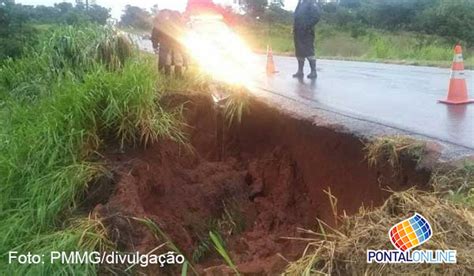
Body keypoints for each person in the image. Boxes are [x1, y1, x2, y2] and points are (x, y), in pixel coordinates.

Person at [151, 10, 186, 76]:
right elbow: (155, 34)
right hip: (167, 45)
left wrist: (155, 45)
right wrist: (155, 45)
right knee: (169, 60)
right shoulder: (164, 23)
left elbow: (185, 35)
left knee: (175, 60)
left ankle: (175, 76)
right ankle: (169, 76)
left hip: (176, 45)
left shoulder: (180, 24)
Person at [293, 0, 321, 79]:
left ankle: (313, 71)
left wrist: (307, 26)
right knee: (299, 51)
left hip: (307, 32)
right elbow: (296, 17)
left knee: (309, 51)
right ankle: (300, 71)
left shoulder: (311, 2)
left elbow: (316, 16)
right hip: (298, 31)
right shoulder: (300, 2)